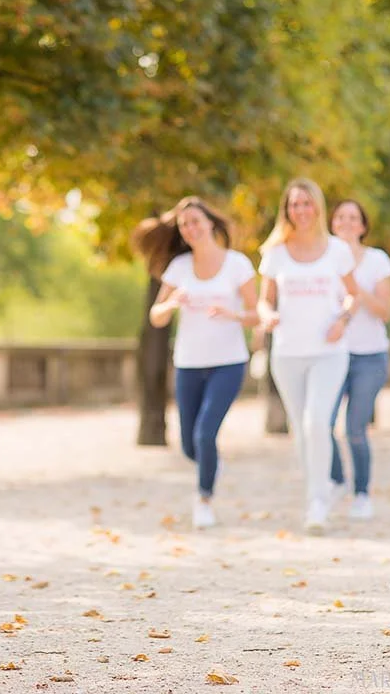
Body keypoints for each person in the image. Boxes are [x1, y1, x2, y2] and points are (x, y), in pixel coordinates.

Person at [133, 197, 259, 529]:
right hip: (189, 363)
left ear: (211, 224)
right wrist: (171, 302)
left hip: (228, 363)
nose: (190, 228)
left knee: (205, 434)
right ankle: (210, 466)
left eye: (195, 221)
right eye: (184, 224)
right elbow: (156, 317)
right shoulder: (179, 268)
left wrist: (233, 314)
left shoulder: (238, 264)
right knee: (189, 443)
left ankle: (203, 499)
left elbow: (257, 314)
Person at [258, 178, 359, 535]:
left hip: (329, 352)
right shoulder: (275, 253)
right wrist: (266, 315)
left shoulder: (337, 251)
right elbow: (264, 298)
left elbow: (353, 295)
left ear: (317, 207)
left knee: (318, 422)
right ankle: (318, 491)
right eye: (293, 204)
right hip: (287, 353)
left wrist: (343, 319)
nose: (300, 210)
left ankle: (318, 502)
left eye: (306, 203)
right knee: (301, 431)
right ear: (287, 210)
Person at [327, 200, 390, 521]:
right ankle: (337, 480)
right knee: (322, 424)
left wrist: (357, 290)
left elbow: (385, 311)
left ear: (363, 226)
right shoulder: (322, 258)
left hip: (369, 357)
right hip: (330, 355)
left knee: (355, 428)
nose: (346, 222)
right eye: (340, 217)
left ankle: (362, 493)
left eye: (353, 218)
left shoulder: (377, 260)